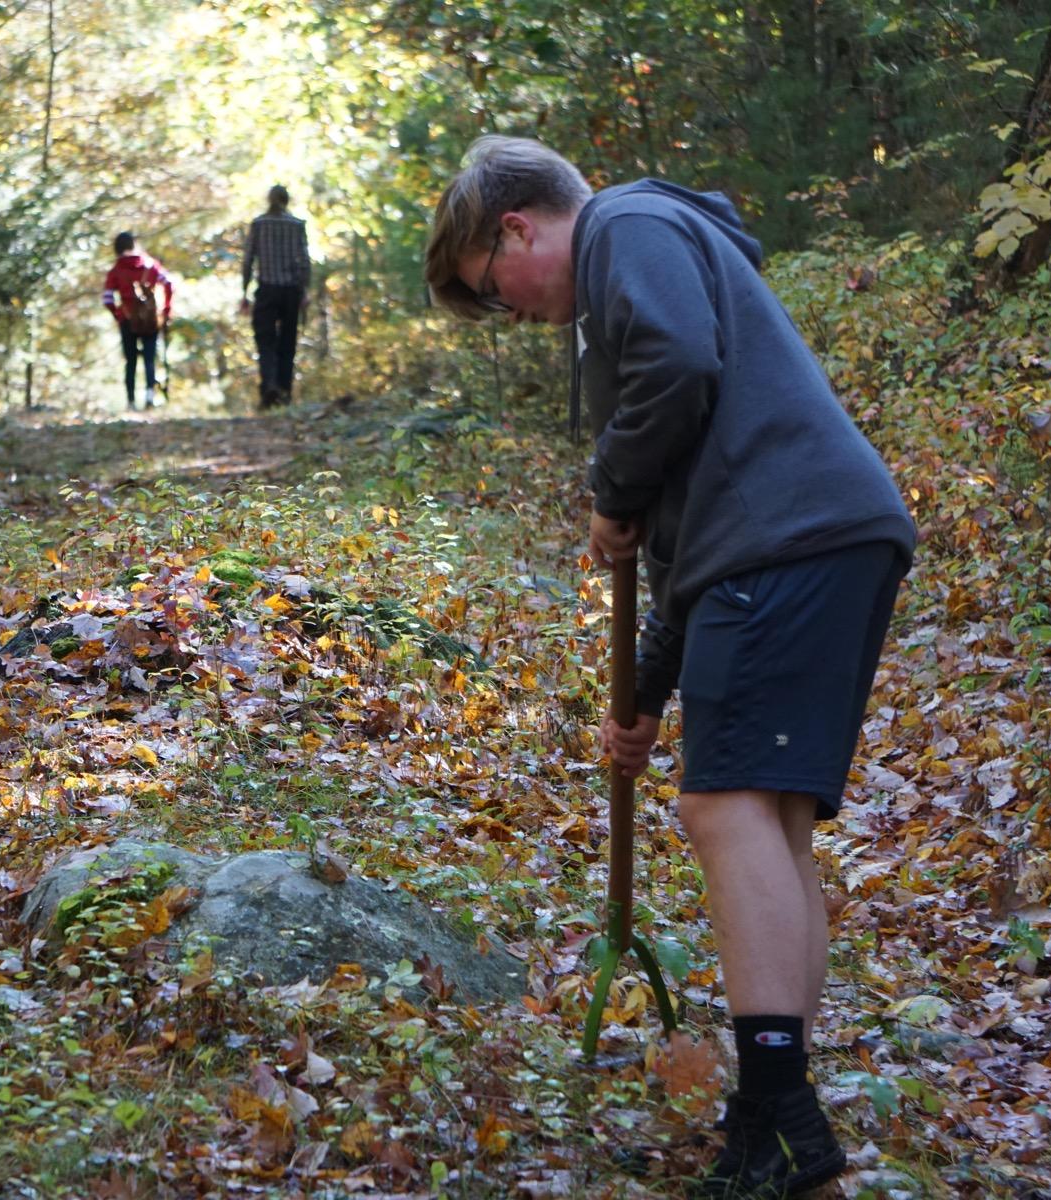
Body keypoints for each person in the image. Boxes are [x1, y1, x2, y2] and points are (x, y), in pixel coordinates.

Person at [425, 136, 916, 1198]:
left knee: (724, 809)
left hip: (789, 540)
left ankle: (784, 1121)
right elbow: (689, 542)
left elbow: (679, 367)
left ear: (516, 228)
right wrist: (644, 696)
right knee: (772, 819)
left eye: (494, 290)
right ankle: (769, 1118)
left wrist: (610, 486)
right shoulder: (650, 250)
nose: (512, 314)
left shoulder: (626, 229)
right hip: (816, 536)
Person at [238, 184, 310, 408]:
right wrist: (305, 290)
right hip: (291, 291)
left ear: (269, 200)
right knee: (288, 343)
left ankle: (269, 386)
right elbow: (305, 261)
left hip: (267, 289)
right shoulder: (297, 226)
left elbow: (249, 259)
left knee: (265, 340)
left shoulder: (259, 224)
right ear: (286, 200)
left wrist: (244, 291)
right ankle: (284, 393)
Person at [102, 230, 173, 411]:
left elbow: (108, 298)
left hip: (127, 320)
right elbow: (169, 284)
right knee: (150, 359)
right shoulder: (150, 265)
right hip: (150, 320)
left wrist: (117, 315)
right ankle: (150, 398)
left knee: (131, 361)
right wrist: (165, 310)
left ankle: (131, 402)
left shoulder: (116, 270)